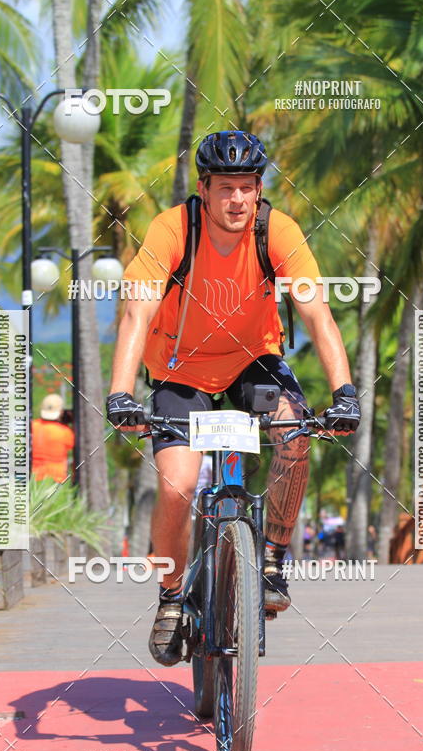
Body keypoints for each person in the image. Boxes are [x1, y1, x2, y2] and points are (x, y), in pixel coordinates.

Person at [106, 130, 360, 666]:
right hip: (180, 369)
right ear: (204, 188)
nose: (238, 200)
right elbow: (136, 311)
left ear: (259, 187)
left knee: (293, 433)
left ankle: (270, 559)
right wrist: (120, 393)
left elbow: (317, 312)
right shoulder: (173, 229)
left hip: (253, 361)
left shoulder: (277, 230)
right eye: (226, 188)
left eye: (248, 187)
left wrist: (345, 392)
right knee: (176, 486)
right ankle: (172, 599)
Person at [31, 394, 74, 483]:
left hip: (33, 479)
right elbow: (71, 445)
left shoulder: (31, 426)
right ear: (61, 412)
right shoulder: (65, 432)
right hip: (55, 480)